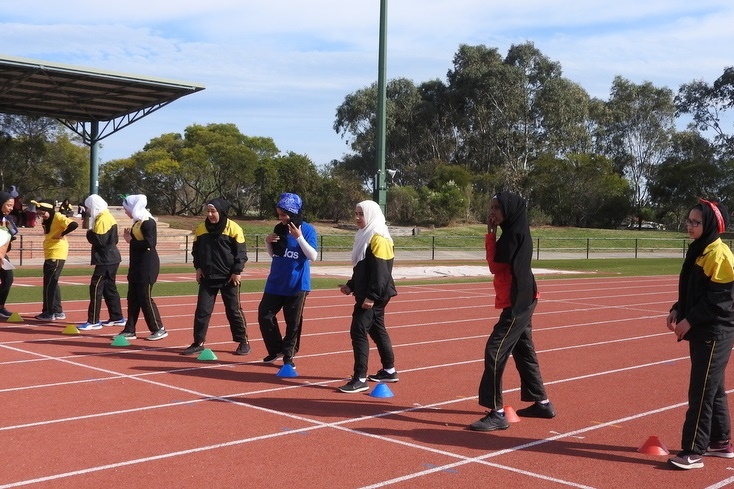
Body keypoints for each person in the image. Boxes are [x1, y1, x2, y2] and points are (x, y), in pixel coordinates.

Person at [468, 191, 555, 432]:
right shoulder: (516, 229)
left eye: (497, 207)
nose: (492, 212)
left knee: (495, 350)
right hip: (523, 297)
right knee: (523, 350)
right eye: (491, 207)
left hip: (518, 301)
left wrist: (490, 235)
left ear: (509, 209)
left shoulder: (511, 235)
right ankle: (542, 402)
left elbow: (495, 266)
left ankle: (496, 412)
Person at [666, 199, 734, 470]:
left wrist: (689, 321)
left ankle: (693, 451)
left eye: (696, 222)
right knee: (713, 388)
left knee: (701, 391)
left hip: (714, 331)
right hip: (702, 328)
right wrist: (677, 309)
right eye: (689, 220)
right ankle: (720, 441)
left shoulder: (720, 255)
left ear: (711, 226)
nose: (689, 226)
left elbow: (720, 300)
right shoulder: (699, 250)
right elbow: (692, 291)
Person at [337, 200, 399, 393]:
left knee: (358, 330)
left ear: (371, 215)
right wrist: (351, 285)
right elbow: (362, 268)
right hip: (370, 292)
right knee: (377, 329)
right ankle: (389, 370)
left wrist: (371, 297)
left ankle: (360, 378)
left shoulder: (379, 237)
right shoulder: (365, 235)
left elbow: (381, 273)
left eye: (361, 214)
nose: (357, 218)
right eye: (355, 213)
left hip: (376, 294)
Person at [181, 197, 251, 356]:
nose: (210, 214)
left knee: (233, 310)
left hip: (229, 278)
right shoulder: (201, 229)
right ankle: (198, 342)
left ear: (222, 211)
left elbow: (241, 254)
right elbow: (196, 252)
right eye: (208, 211)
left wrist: (237, 272)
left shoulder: (233, 228)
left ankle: (243, 341)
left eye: (214, 211)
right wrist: (198, 268)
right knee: (202, 311)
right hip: (207, 277)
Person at [258, 193, 318, 368]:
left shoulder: (307, 230)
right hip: (276, 282)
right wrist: (268, 242)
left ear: (293, 213)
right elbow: (276, 255)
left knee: (293, 322)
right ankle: (276, 349)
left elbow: (312, 256)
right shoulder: (279, 228)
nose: (280, 218)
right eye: (279, 214)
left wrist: (299, 237)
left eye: (283, 214)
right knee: (264, 315)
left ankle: (289, 356)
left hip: (297, 284)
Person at [118, 194, 168, 341]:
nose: (126, 212)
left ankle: (158, 328)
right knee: (132, 298)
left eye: (126, 209)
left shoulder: (148, 222)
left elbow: (150, 244)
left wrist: (130, 241)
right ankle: (130, 329)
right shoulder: (137, 222)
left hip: (148, 265)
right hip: (136, 265)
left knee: (144, 298)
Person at [77, 194, 125, 331]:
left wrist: (89, 233)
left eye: (88, 208)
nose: (87, 211)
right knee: (109, 288)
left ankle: (93, 321)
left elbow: (100, 240)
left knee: (96, 287)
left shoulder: (103, 219)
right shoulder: (107, 216)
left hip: (106, 259)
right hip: (111, 258)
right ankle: (117, 317)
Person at [33, 199, 78, 321]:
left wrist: (62, 234)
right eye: (39, 214)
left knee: (49, 283)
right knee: (52, 282)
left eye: (43, 213)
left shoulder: (58, 216)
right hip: (50, 252)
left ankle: (49, 312)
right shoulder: (48, 220)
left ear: (49, 210)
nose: (41, 216)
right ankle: (57, 311)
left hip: (56, 253)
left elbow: (73, 224)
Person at [0, 191, 19, 318]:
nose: (11, 208)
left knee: (8, 279)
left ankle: (1, 307)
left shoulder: (7, 220)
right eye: (8, 205)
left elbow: (10, 237)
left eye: (12, 206)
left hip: (2, 255)